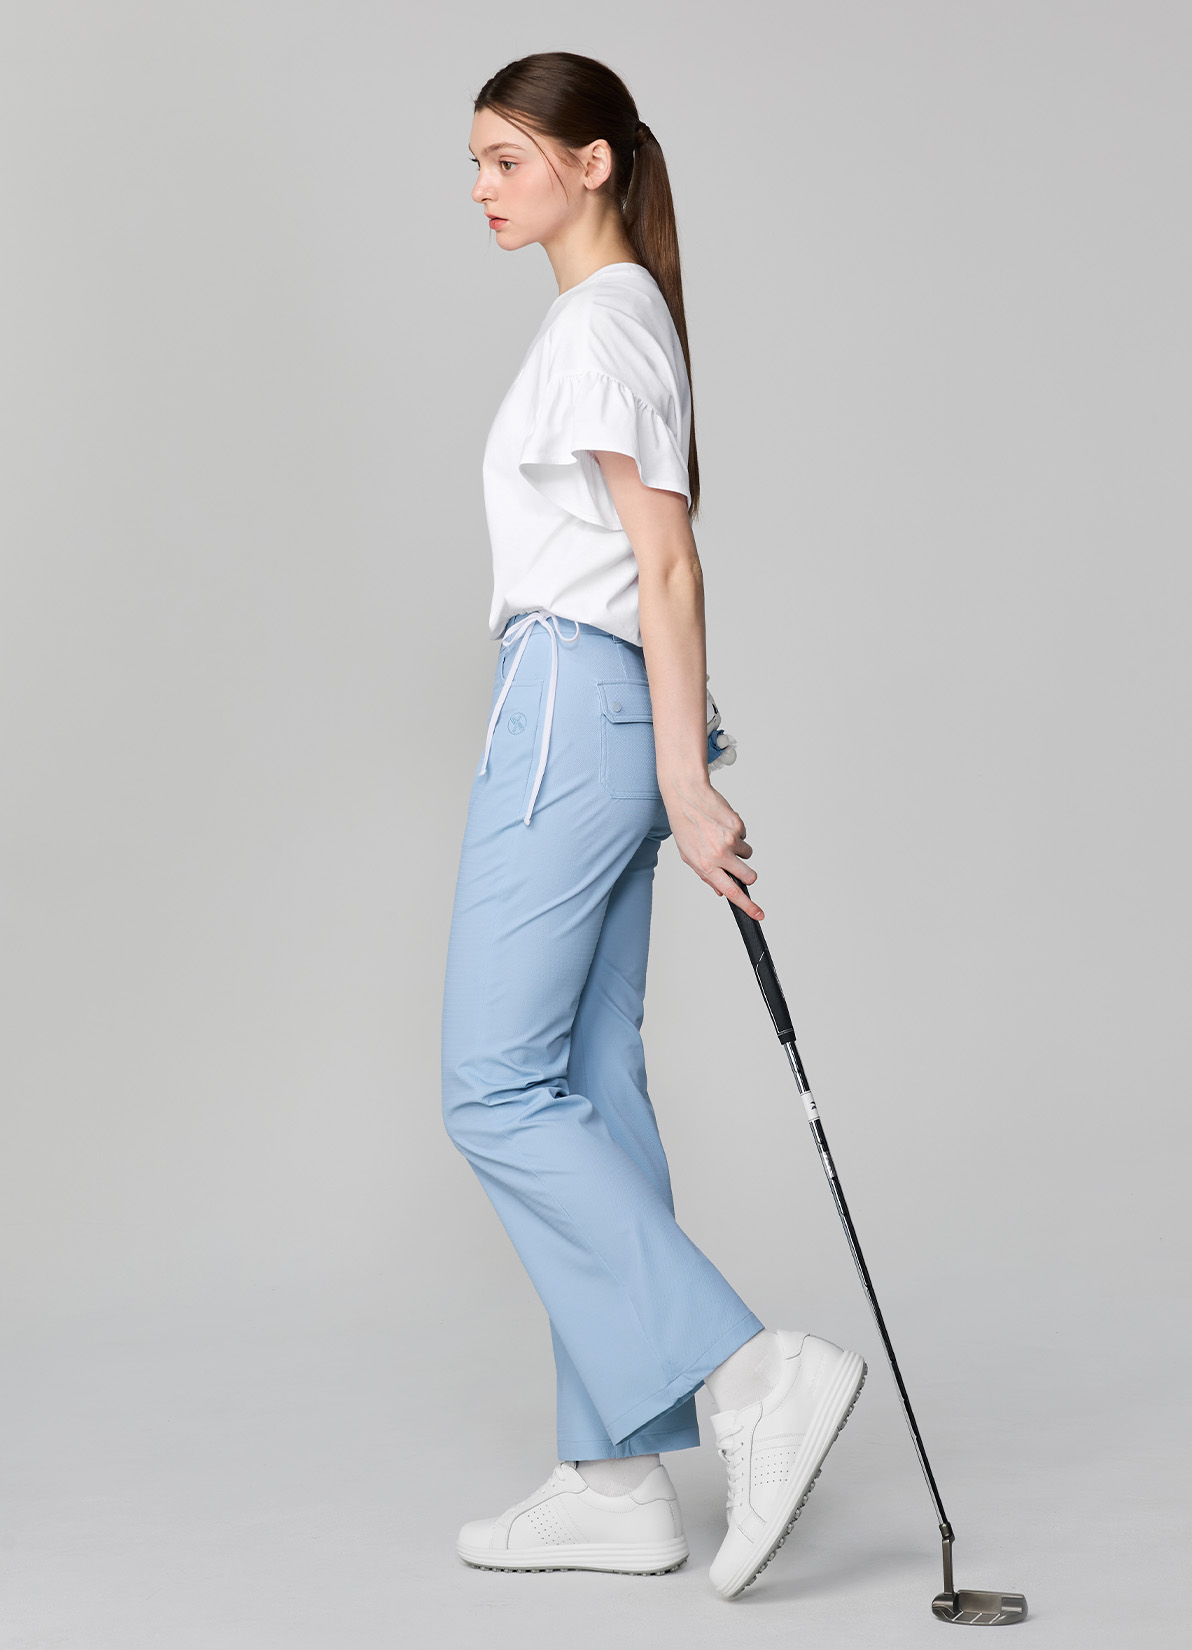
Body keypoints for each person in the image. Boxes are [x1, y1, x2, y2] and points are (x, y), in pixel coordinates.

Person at [441, 50, 867, 1601]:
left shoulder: (598, 324)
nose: (482, 189)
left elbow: (665, 558)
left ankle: (751, 1373)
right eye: (476, 164)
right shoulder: (624, 321)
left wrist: (686, 778)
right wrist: (671, 753)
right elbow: (657, 574)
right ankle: (615, 1475)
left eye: (506, 158)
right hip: (608, 707)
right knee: (586, 1082)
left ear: (594, 161)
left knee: (494, 1085)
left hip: (575, 705)